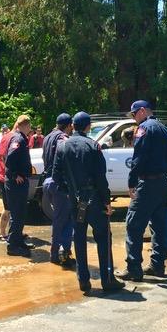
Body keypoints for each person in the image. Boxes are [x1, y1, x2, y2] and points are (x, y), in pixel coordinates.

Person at [53, 111, 125, 294]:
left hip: (75, 200)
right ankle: (107, 279)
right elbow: (101, 177)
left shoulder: (62, 146)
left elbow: (56, 176)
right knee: (103, 237)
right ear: (88, 126)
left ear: (73, 126)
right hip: (94, 199)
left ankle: (83, 280)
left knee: (79, 238)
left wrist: (69, 192)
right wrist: (106, 200)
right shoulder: (93, 146)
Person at [116, 100, 167, 282]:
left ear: (141, 111)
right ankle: (157, 265)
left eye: (134, 115)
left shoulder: (144, 128)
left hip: (148, 183)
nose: (134, 119)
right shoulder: (163, 128)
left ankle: (134, 268)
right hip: (163, 182)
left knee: (133, 225)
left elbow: (139, 156)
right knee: (159, 225)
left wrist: (132, 182)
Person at [42, 113, 74, 267]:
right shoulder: (62, 138)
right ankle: (60, 254)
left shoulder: (47, 137)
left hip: (48, 182)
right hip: (60, 184)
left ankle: (59, 252)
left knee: (59, 218)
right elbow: (66, 158)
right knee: (66, 220)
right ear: (69, 125)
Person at [4, 115, 34, 257]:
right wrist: (15, 174)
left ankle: (18, 241)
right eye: (29, 126)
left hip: (19, 182)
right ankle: (12, 245)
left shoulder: (21, 138)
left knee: (20, 214)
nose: (30, 128)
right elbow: (10, 159)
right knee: (17, 214)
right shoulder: (18, 139)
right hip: (16, 183)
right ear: (25, 125)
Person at [0, 125, 13, 241]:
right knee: (7, 208)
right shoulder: (4, 141)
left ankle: (14, 231)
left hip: (7, 178)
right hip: (4, 178)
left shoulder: (8, 140)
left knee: (12, 207)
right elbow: (3, 159)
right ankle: (1, 232)